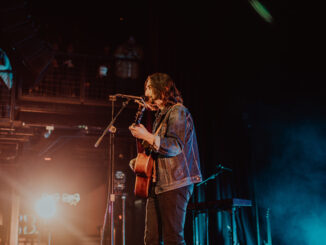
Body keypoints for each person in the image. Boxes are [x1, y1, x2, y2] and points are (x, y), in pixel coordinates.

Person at [129, 72, 202, 245]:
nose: (145, 90)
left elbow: (175, 146)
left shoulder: (178, 111)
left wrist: (147, 136)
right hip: (158, 184)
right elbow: (158, 149)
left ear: (161, 89)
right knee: (151, 239)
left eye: (149, 86)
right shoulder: (160, 117)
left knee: (172, 239)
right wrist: (139, 162)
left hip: (175, 183)